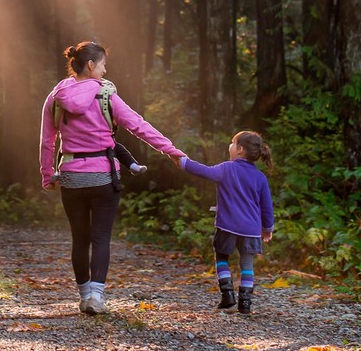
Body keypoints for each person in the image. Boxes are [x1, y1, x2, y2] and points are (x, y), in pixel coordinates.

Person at [39, 41, 187, 315]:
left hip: (71, 176)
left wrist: (48, 174)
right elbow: (138, 126)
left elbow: (47, 140)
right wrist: (171, 151)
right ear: (91, 65)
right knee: (101, 238)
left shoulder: (56, 96)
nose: (105, 71)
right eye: (104, 64)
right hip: (104, 177)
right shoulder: (106, 95)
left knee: (79, 239)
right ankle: (96, 296)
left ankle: (84, 297)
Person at [168, 130, 274, 314]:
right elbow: (267, 207)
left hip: (228, 226)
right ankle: (245, 303)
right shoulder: (260, 178)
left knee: (222, 257)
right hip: (251, 230)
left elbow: (204, 171)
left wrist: (183, 162)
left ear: (240, 149)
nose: (229, 146)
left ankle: (227, 295)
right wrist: (267, 229)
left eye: (232, 143)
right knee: (247, 264)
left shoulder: (227, 168)